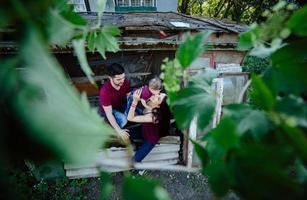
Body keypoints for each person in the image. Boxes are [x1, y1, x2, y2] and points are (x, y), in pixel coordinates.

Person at [127, 88, 171, 163]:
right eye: (159, 94)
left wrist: (134, 101)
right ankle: (135, 145)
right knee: (124, 133)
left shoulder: (154, 117)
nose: (156, 95)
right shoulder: (151, 101)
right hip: (143, 130)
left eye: (159, 97)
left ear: (158, 106)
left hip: (150, 139)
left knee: (134, 161)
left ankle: (140, 171)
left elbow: (130, 118)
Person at [99, 63, 131, 140]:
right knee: (123, 120)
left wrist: (132, 106)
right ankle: (110, 131)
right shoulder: (105, 91)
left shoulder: (125, 82)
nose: (122, 81)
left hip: (120, 105)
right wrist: (119, 130)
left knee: (138, 112)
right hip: (109, 110)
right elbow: (109, 113)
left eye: (123, 77)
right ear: (110, 78)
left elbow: (129, 96)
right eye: (118, 79)